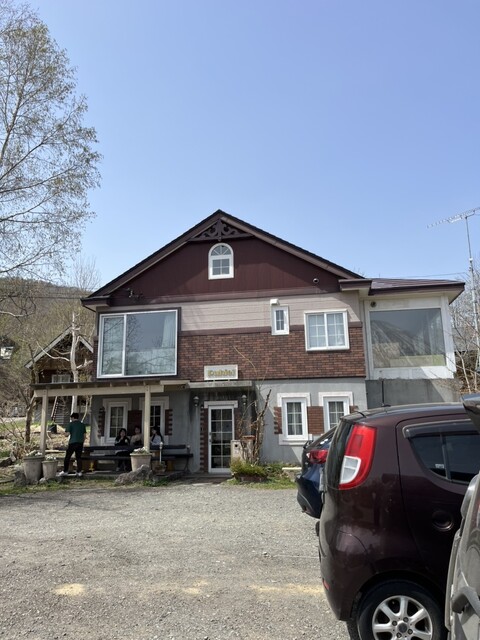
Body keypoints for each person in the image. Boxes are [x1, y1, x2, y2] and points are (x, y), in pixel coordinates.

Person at [60, 412, 87, 477]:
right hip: (80, 443)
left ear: (72, 417)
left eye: (71, 418)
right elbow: (84, 435)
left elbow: (67, 434)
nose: (71, 419)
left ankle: (65, 471)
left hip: (72, 442)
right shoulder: (82, 425)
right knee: (78, 457)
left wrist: (63, 433)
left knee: (67, 457)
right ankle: (79, 471)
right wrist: (82, 442)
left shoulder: (71, 424)